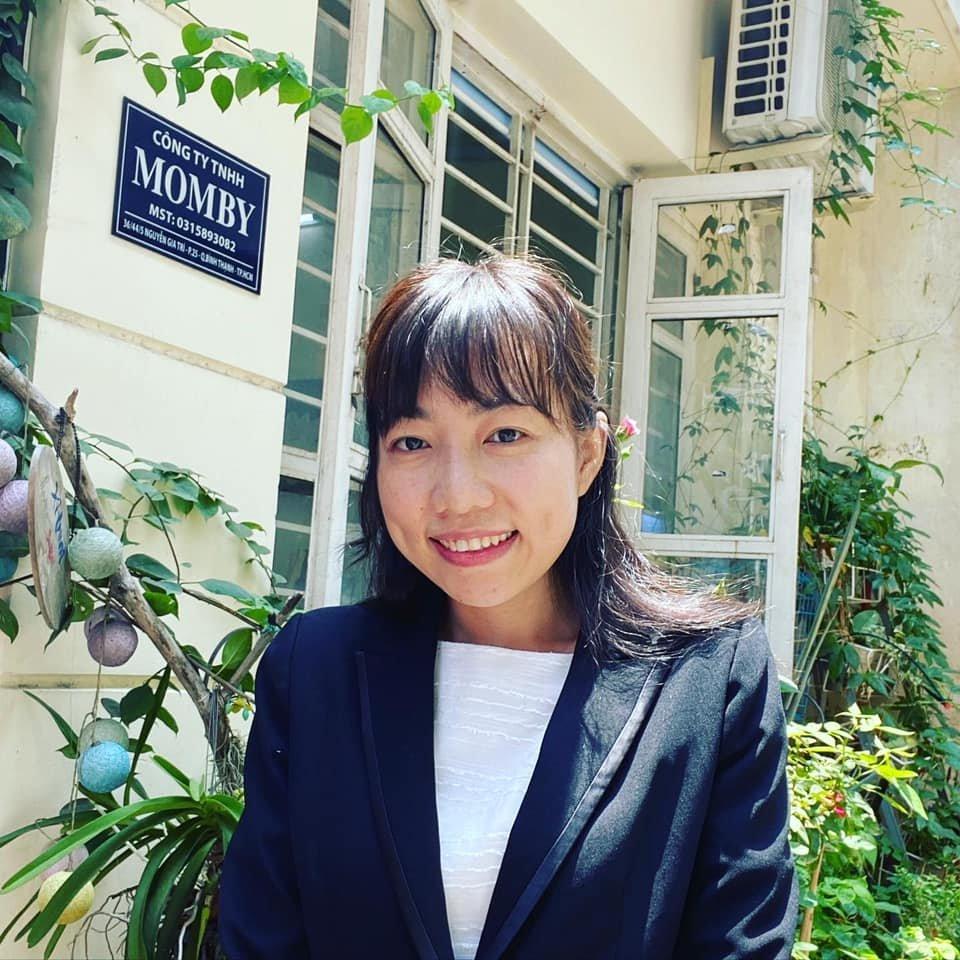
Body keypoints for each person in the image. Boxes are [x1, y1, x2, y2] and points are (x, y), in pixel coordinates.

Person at [217, 255, 798, 960]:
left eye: (505, 434)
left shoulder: (708, 679)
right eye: (412, 442)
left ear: (587, 454)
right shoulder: (314, 671)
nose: (457, 495)